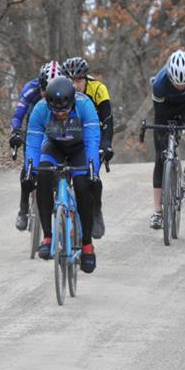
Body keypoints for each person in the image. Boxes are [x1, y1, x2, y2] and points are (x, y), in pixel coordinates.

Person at [25, 76, 100, 273]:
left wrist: (93, 169)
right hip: (54, 147)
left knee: (84, 186)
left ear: (72, 102)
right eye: (56, 111)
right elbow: (33, 144)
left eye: (65, 111)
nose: (60, 114)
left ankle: (87, 245)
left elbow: (92, 142)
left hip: (79, 149)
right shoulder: (40, 109)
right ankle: (48, 236)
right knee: (43, 176)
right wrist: (30, 170)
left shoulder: (85, 105)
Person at [149, 49, 185, 229]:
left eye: (184, 83)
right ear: (170, 77)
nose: (180, 86)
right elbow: (158, 114)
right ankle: (157, 212)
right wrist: (162, 135)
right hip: (166, 108)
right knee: (160, 156)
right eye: (177, 83)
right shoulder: (159, 84)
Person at [62, 56, 113, 238]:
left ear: (85, 78)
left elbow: (107, 119)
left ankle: (96, 210)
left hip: (93, 136)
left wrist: (106, 144)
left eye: (79, 80)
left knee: (93, 176)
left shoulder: (98, 89)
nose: (75, 85)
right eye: (71, 80)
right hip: (69, 136)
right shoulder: (61, 90)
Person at [10, 61, 63, 231]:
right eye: (43, 90)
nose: (44, 95)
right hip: (35, 130)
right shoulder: (30, 89)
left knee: (59, 171)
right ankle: (23, 209)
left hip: (57, 130)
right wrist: (16, 131)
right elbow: (18, 115)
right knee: (28, 172)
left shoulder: (66, 88)